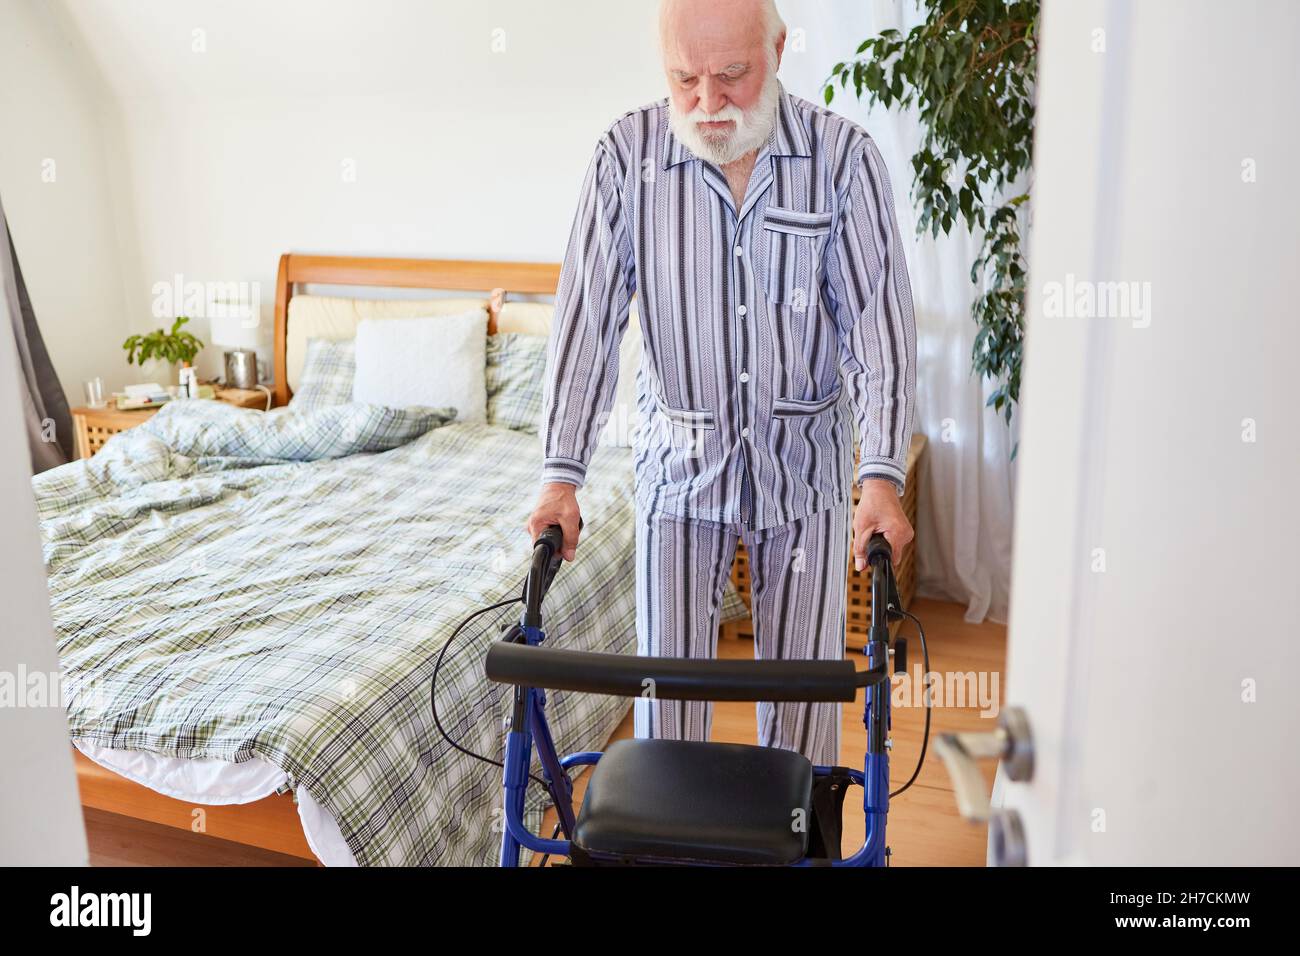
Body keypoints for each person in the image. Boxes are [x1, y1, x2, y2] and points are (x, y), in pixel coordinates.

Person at [527, 0, 916, 765]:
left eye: (732, 76)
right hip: (677, 473)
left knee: (801, 723)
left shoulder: (843, 160)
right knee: (667, 717)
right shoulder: (625, 157)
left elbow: (880, 329)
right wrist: (559, 474)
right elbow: (586, 324)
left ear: (777, 48)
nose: (707, 104)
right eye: (685, 80)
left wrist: (881, 473)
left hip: (804, 477)